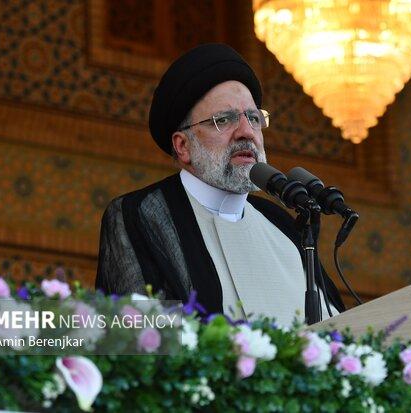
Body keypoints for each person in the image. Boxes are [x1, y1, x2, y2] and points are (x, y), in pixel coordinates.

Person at [95, 43, 344, 325]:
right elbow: (143, 337)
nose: (246, 132)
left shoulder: (282, 223)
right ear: (183, 146)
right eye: (224, 120)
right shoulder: (143, 214)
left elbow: (340, 331)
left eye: (253, 118)